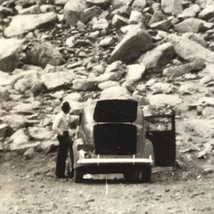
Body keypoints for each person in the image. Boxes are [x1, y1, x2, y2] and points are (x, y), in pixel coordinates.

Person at [52, 101, 74, 178]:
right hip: (62, 135)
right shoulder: (59, 116)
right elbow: (54, 127)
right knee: (65, 151)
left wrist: (70, 133)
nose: (67, 110)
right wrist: (61, 133)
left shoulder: (68, 116)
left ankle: (63, 172)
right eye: (66, 108)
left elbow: (69, 126)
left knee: (63, 153)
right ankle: (60, 173)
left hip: (66, 134)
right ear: (63, 109)